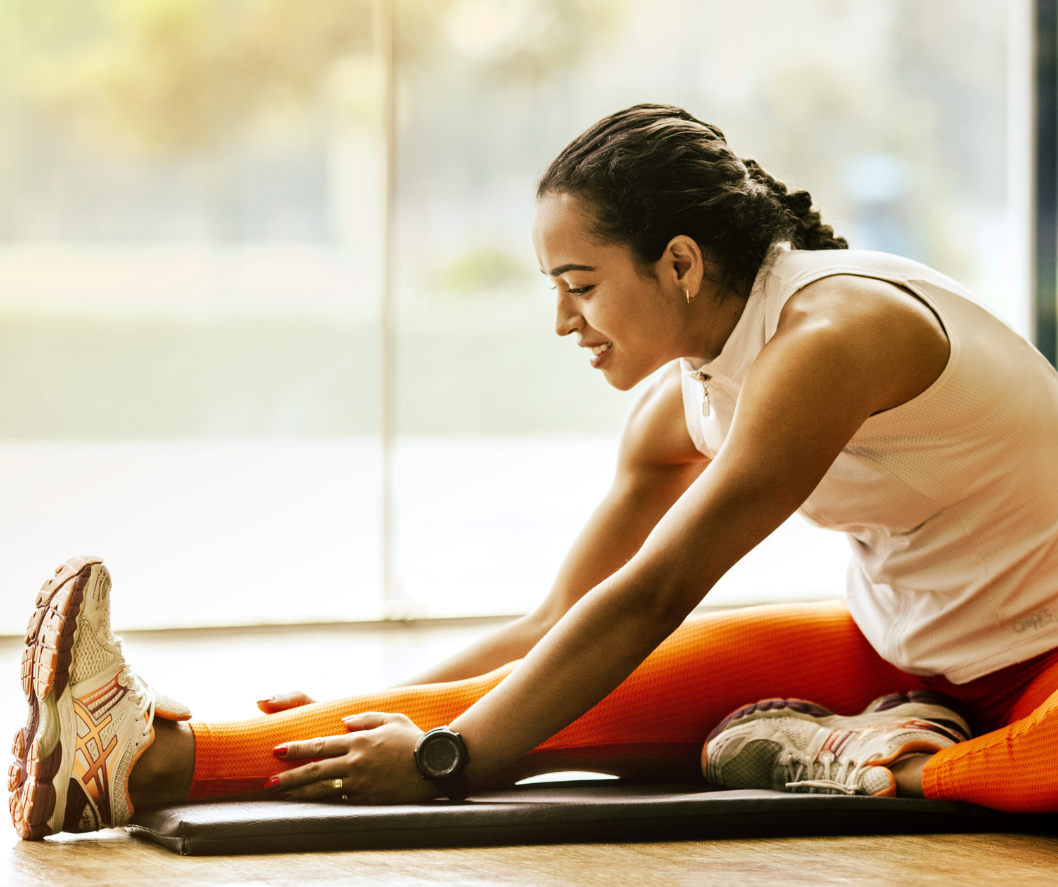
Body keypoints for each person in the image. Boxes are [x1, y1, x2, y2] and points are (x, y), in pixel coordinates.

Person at [11, 104, 1058, 841]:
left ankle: (893, 763)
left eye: (580, 284)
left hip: (1043, 660)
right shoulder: (682, 401)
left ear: (680, 263)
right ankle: (129, 759)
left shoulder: (832, 336)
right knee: (539, 699)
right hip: (901, 655)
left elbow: (656, 590)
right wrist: (383, 707)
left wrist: (447, 758)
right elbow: (560, 618)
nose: (563, 319)